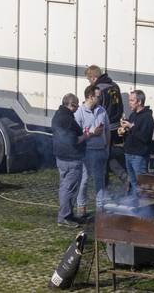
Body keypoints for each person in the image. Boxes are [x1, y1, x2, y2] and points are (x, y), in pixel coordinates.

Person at [75, 83, 110, 215]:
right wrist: (91, 132)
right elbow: (76, 135)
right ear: (90, 96)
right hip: (86, 151)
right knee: (83, 181)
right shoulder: (79, 113)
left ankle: (100, 208)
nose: (100, 99)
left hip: (100, 150)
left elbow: (107, 131)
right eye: (98, 96)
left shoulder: (102, 110)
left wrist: (107, 147)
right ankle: (81, 207)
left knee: (99, 180)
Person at [53, 93, 88, 227]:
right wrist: (85, 136)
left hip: (62, 158)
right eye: (76, 105)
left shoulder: (58, 115)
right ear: (70, 104)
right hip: (70, 159)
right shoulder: (66, 119)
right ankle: (64, 218)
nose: (77, 108)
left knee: (65, 187)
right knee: (69, 188)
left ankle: (68, 214)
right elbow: (73, 140)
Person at [118, 90, 154, 198]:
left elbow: (145, 137)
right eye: (129, 100)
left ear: (139, 102)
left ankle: (145, 209)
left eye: (132, 100)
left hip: (139, 156)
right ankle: (135, 207)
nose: (129, 103)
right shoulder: (133, 115)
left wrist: (131, 127)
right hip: (128, 153)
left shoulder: (147, 117)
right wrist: (123, 132)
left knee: (141, 184)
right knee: (133, 184)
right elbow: (132, 133)